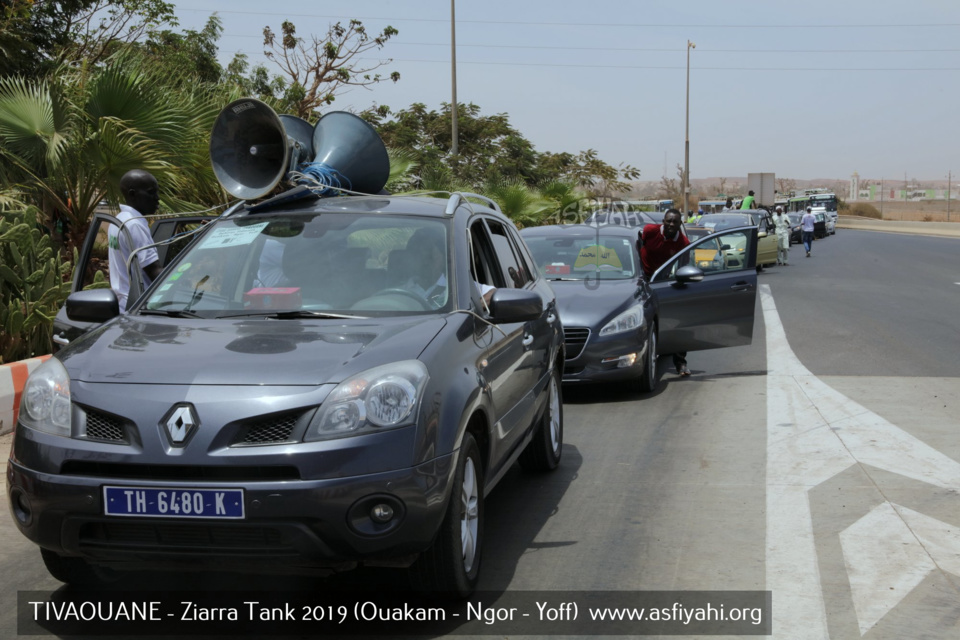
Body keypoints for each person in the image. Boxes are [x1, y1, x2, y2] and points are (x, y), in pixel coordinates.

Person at [638, 208, 692, 376]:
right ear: (663, 221)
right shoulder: (649, 231)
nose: (671, 224)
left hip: (663, 282)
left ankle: (681, 363)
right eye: (668, 221)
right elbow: (637, 247)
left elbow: (683, 267)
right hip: (642, 280)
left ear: (680, 224)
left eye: (675, 222)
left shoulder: (683, 243)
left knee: (677, 319)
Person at [107, 169, 162, 311]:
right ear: (132, 194)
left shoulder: (119, 220)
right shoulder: (134, 224)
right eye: (151, 192)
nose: (157, 198)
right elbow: (154, 272)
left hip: (123, 304)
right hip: (139, 306)